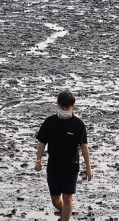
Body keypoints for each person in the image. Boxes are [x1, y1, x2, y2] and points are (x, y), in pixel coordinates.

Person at [35, 90, 93, 220]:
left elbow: (84, 146)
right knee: (55, 199)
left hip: (71, 166)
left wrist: (88, 167)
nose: (65, 109)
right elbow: (41, 143)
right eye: (62, 107)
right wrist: (38, 160)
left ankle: (65, 217)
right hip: (54, 166)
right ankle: (66, 213)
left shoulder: (78, 124)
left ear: (73, 106)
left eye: (68, 107)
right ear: (58, 105)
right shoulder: (49, 122)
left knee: (68, 197)